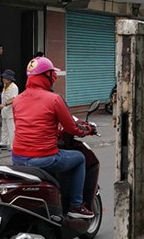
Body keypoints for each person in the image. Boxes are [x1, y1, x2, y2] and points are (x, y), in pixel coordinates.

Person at [11, 56, 94, 219]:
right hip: (43, 158)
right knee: (79, 159)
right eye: (52, 74)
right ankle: (76, 206)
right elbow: (72, 127)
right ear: (47, 75)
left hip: (18, 158)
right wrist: (87, 130)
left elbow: (25, 124)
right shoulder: (54, 99)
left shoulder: (17, 100)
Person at [0, 70, 18, 150]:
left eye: (5, 78)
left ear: (9, 79)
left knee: (11, 128)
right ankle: (4, 143)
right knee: (4, 128)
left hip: (10, 111)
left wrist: (4, 104)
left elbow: (14, 99)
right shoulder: (5, 86)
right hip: (4, 111)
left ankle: (13, 145)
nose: (3, 79)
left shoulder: (14, 87)